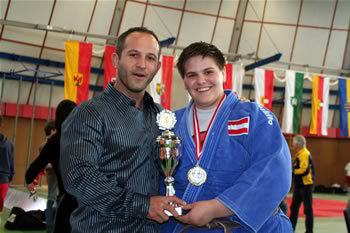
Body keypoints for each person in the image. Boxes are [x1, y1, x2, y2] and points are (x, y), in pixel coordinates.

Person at [60, 27, 185, 233]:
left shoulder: (163, 117)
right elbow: (79, 176)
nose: (142, 65)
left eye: (150, 58)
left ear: (157, 66)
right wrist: (144, 205)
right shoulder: (88, 113)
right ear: (116, 60)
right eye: (133, 55)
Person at [160, 42, 293, 233]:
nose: (201, 80)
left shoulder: (255, 116)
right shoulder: (171, 123)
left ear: (223, 74)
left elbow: (273, 171)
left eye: (208, 72)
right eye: (192, 75)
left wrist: (217, 207)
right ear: (184, 81)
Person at [25, 100, 77, 233]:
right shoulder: (86, 138)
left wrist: (29, 177)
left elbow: (35, 167)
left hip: (67, 199)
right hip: (89, 200)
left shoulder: (54, 141)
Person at [289, 134, 314, 233]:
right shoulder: (299, 154)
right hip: (299, 186)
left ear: (298, 143)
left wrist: (292, 172)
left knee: (308, 210)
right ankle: (290, 229)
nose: (293, 144)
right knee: (294, 209)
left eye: (294, 142)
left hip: (306, 186)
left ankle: (309, 231)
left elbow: (304, 170)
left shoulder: (304, 154)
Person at [0, 116, 14, 227]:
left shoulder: (9, 144)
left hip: (3, 178)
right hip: (4, 179)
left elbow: (11, 162)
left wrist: (10, 175)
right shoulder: (9, 144)